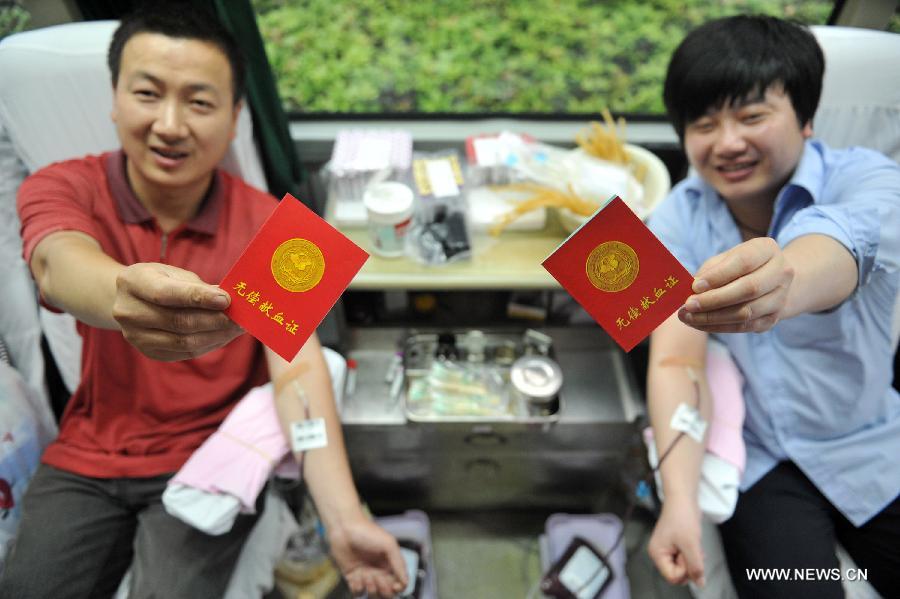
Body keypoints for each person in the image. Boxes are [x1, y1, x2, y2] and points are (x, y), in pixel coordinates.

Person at [0, 4, 406, 598]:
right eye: (147, 93)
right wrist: (121, 294)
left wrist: (344, 517)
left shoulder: (274, 229)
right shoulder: (64, 186)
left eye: (198, 101)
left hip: (207, 459)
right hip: (90, 449)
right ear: (114, 99)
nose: (169, 124)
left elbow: (297, 369)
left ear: (235, 115)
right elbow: (57, 261)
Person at [644, 15, 900, 599]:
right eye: (703, 123)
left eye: (752, 116)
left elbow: (840, 244)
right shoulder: (677, 218)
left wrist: (785, 280)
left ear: (807, 119)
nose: (727, 142)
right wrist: (679, 502)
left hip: (870, 440)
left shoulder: (870, 178)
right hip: (757, 462)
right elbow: (675, 363)